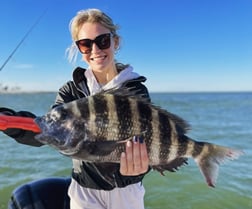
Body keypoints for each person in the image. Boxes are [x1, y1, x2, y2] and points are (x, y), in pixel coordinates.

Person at [0, 8, 151, 209]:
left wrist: (141, 169)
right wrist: (7, 121)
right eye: (85, 44)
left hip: (127, 192)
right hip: (83, 192)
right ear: (79, 50)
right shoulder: (70, 91)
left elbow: (149, 142)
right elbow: (47, 130)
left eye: (102, 40)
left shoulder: (135, 89)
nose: (95, 50)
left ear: (115, 42)